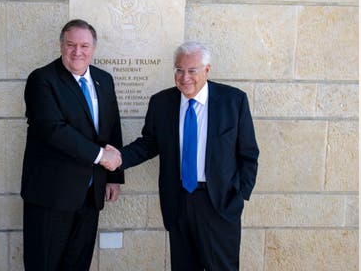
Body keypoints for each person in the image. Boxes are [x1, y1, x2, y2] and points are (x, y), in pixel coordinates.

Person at [108, 41, 259, 270]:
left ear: (206, 70)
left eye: (192, 70)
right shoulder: (161, 103)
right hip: (178, 201)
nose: (184, 77)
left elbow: (248, 153)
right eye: (179, 70)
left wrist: (239, 194)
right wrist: (118, 158)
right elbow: (149, 144)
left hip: (219, 203)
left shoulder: (233, 101)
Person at [20, 19, 124, 270]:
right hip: (51, 196)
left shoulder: (104, 79)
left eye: (84, 46)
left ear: (93, 49)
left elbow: (112, 127)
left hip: (90, 194)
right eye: (71, 45)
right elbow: (54, 130)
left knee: (78, 265)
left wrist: (114, 176)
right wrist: (101, 156)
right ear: (61, 46)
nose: (78, 52)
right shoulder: (42, 79)